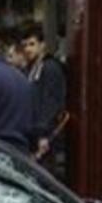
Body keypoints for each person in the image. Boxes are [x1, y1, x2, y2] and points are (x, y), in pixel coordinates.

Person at [21, 26, 68, 177]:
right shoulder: (32, 69)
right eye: (25, 45)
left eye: (32, 44)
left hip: (47, 136)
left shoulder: (50, 68)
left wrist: (44, 134)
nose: (28, 49)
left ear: (42, 45)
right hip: (34, 133)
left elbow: (51, 103)